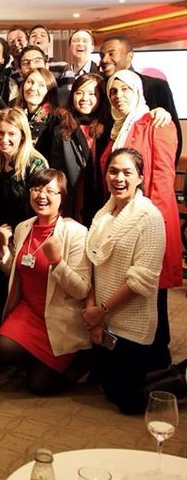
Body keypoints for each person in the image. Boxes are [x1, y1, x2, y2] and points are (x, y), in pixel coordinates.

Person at [83, 148, 169, 414]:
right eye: (113, 171)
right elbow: (92, 264)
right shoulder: (103, 214)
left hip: (131, 323)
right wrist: (93, 315)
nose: (118, 178)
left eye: (126, 172)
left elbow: (141, 281)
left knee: (128, 402)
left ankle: (178, 377)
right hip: (104, 322)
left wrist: (101, 311)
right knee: (109, 391)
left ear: (140, 177)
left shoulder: (150, 218)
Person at [102, 69, 180, 360]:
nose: (119, 96)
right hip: (123, 218)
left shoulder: (155, 123)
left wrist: (150, 224)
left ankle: (157, 360)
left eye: (125, 90)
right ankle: (138, 355)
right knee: (135, 293)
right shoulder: (117, 127)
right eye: (113, 91)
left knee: (152, 292)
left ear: (137, 92)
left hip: (150, 220)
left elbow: (161, 180)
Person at [0, 169, 91, 395]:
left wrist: (57, 262)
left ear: (62, 197)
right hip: (29, 311)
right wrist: (3, 247)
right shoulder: (23, 228)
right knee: (3, 348)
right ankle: (38, 362)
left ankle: (77, 362)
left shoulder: (76, 232)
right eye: (37, 189)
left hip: (60, 317)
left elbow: (81, 289)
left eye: (50, 191)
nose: (41, 196)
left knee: (39, 387)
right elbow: (17, 271)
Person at [99, 35, 181, 164]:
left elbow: (174, 140)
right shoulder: (100, 89)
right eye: (101, 55)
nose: (104, 60)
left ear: (129, 57)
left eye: (111, 54)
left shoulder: (156, 86)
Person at [52, 73, 111, 224]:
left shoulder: (109, 127)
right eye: (79, 92)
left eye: (92, 93)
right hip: (70, 200)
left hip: (103, 197)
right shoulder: (60, 126)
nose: (85, 98)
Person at [0, 108, 48, 229]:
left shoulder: (35, 164)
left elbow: (43, 207)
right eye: (0, 132)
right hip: (1, 231)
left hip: (28, 231)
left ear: (22, 135)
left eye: (11, 134)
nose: (4, 139)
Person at [15, 67, 60, 150]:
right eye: (29, 82)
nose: (33, 88)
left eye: (41, 85)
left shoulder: (55, 120)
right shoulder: (15, 114)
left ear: (49, 90)